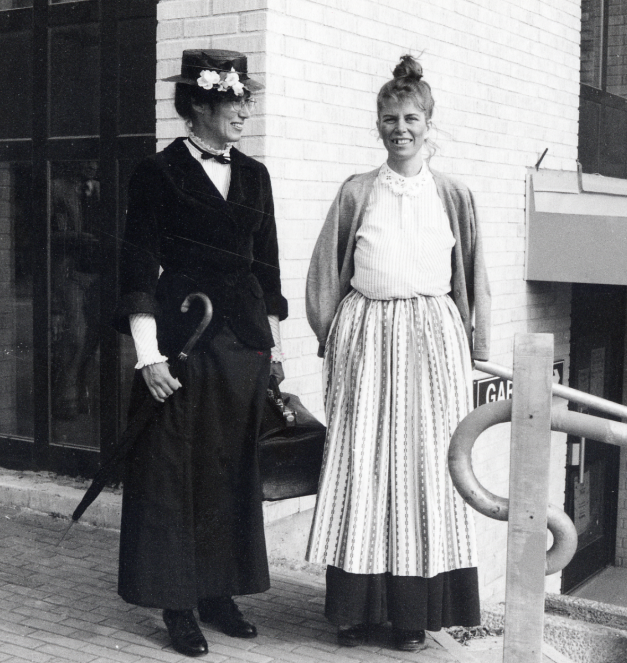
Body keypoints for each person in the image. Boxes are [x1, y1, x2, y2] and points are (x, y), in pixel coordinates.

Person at [305, 54, 490, 652]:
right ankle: (355, 613)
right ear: (377, 124)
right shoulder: (357, 192)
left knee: (422, 471)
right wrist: (333, 337)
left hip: (431, 341)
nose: (400, 127)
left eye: (411, 117)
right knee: (363, 467)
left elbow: (473, 277)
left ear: (430, 123)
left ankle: (411, 618)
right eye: (389, 117)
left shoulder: (454, 194)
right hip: (366, 339)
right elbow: (324, 276)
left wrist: (475, 348)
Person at [113, 49, 287, 658]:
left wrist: (274, 348)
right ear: (200, 106)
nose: (244, 111)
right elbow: (136, 261)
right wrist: (147, 354)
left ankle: (219, 593)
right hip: (181, 343)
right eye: (233, 101)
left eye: (246, 99)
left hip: (241, 345)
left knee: (228, 471)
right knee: (172, 474)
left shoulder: (257, 176)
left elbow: (267, 269)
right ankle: (177, 603)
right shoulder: (156, 173)